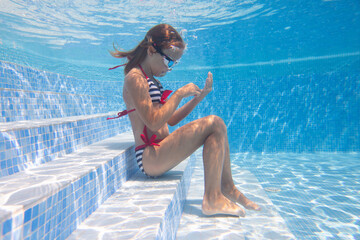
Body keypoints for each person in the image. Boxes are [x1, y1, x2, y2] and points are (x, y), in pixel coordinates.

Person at [109, 24, 260, 217]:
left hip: (161, 149)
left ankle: (227, 188)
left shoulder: (152, 80)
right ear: (151, 50)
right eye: (169, 61)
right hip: (149, 157)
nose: (169, 68)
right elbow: (153, 123)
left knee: (217, 125)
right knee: (214, 122)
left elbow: (170, 120)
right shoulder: (135, 78)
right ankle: (213, 198)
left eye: (174, 64)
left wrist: (199, 97)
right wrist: (179, 94)